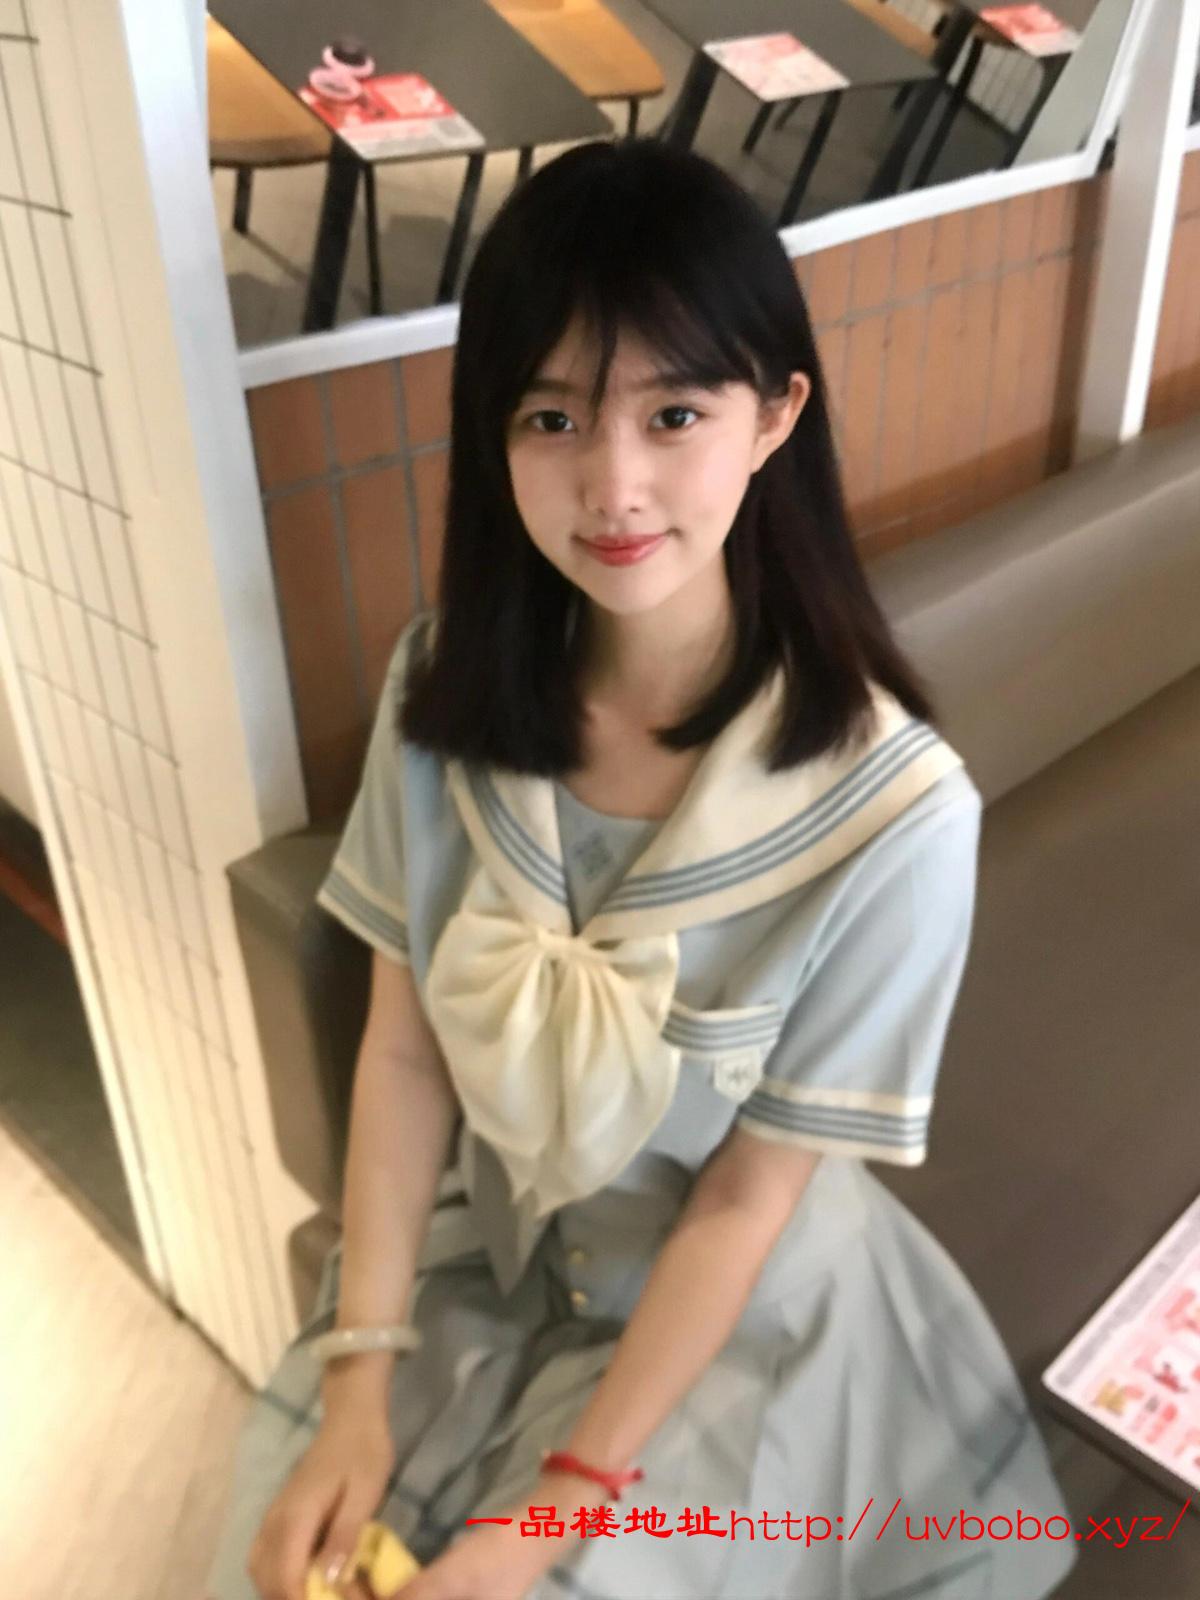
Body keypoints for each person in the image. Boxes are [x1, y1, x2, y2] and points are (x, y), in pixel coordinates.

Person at [206, 138, 1077, 1600]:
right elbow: (404, 1058)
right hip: (485, 1272)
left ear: (775, 415)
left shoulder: (897, 814)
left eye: (674, 412)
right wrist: (358, 1374)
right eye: (553, 417)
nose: (613, 485)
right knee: (278, 1551)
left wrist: (551, 1514)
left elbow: (744, 1202)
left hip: (737, 1321)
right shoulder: (439, 692)